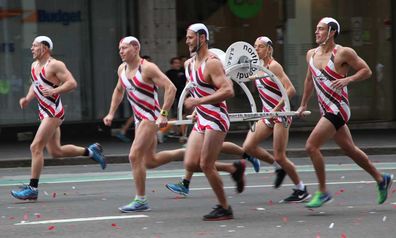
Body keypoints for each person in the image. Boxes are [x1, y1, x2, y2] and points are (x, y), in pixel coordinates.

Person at [166, 36, 310, 204]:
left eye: (261, 47)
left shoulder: (273, 66)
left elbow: (290, 89)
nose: (257, 50)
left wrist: (276, 110)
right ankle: (278, 168)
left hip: (280, 115)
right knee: (248, 147)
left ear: (269, 49)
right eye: (255, 47)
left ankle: (301, 189)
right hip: (266, 114)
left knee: (280, 155)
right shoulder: (256, 68)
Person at [297, 17, 393, 208]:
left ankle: (323, 192)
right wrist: (303, 104)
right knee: (350, 149)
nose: (316, 32)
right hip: (326, 109)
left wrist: (348, 80)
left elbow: (366, 71)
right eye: (316, 29)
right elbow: (309, 80)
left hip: (339, 108)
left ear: (332, 32)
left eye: (321, 29)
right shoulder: (311, 54)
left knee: (311, 146)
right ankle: (381, 178)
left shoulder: (343, 53)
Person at [11, 36, 106, 201]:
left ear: (45, 48)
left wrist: (55, 91)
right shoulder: (34, 65)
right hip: (44, 112)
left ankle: (32, 188)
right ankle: (91, 151)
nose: (32, 48)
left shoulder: (55, 65)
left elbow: (72, 83)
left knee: (35, 147)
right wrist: (27, 98)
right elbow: (35, 84)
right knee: (56, 151)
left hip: (53, 112)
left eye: (35, 46)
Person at [103, 36, 185, 212]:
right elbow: (118, 91)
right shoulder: (122, 69)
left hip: (151, 118)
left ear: (135, 48)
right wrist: (111, 113)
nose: (121, 52)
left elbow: (170, 88)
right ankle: (189, 153)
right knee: (150, 161)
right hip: (140, 119)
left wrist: (163, 114)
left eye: (124, 48)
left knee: (134, 155)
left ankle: (141, 200)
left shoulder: (147, 68)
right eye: (120, 49)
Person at [182, 23, 237, 221]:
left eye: (190, 37)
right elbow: (199, 89)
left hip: (216, 117)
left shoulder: (212, 63)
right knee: (190, 162)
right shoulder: (188, 64)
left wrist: (198, 102)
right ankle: (234, 169)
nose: (187, 41)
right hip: (202, 117)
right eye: (186, 37)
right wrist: (198, 109)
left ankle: (225, 207)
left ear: (202, 38)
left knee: (206, 164)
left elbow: (228, 90)